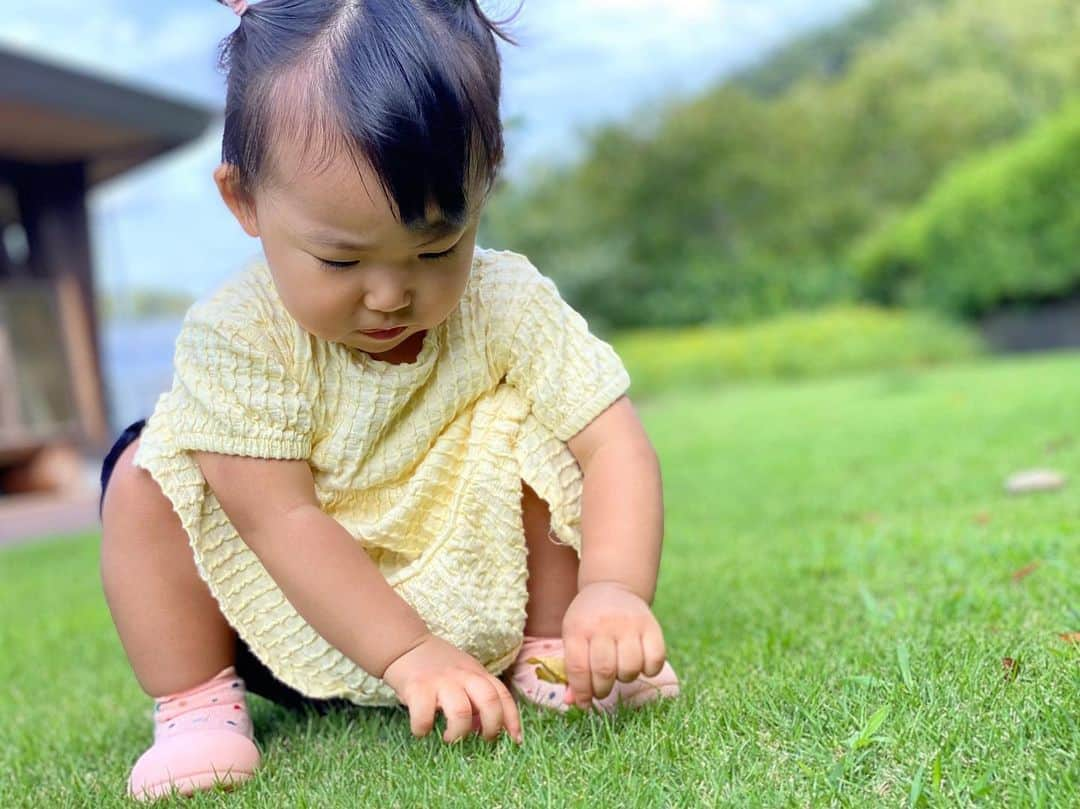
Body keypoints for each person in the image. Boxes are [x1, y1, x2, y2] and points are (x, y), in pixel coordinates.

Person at [99, 0, 679, 801]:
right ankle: (196, 700)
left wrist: (612, 587)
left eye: (437, 247)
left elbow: (611, 442)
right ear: (245, 202)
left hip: (477, 590)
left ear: (485, 183)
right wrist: (410, 653)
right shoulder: (239, 336)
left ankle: (554, 645)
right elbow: (281, 519)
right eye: (341, 261)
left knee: (540, 420)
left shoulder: (505, 300)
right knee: (147, 471)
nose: (390, 294)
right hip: (289, 613)